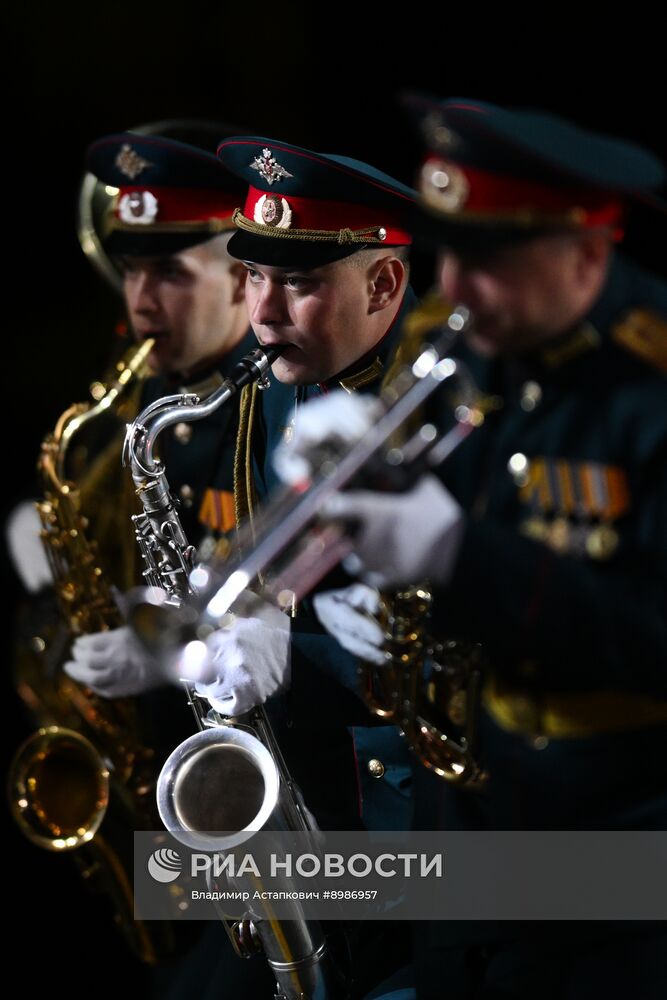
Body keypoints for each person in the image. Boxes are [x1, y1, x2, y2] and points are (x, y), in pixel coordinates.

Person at [274, 99, 667, 999]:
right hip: (467, 840)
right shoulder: (467, 345)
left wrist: (458, 557)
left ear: (584, 251)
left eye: (486, 261)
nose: (452, 287)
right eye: (444, 253)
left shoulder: (648, 390)